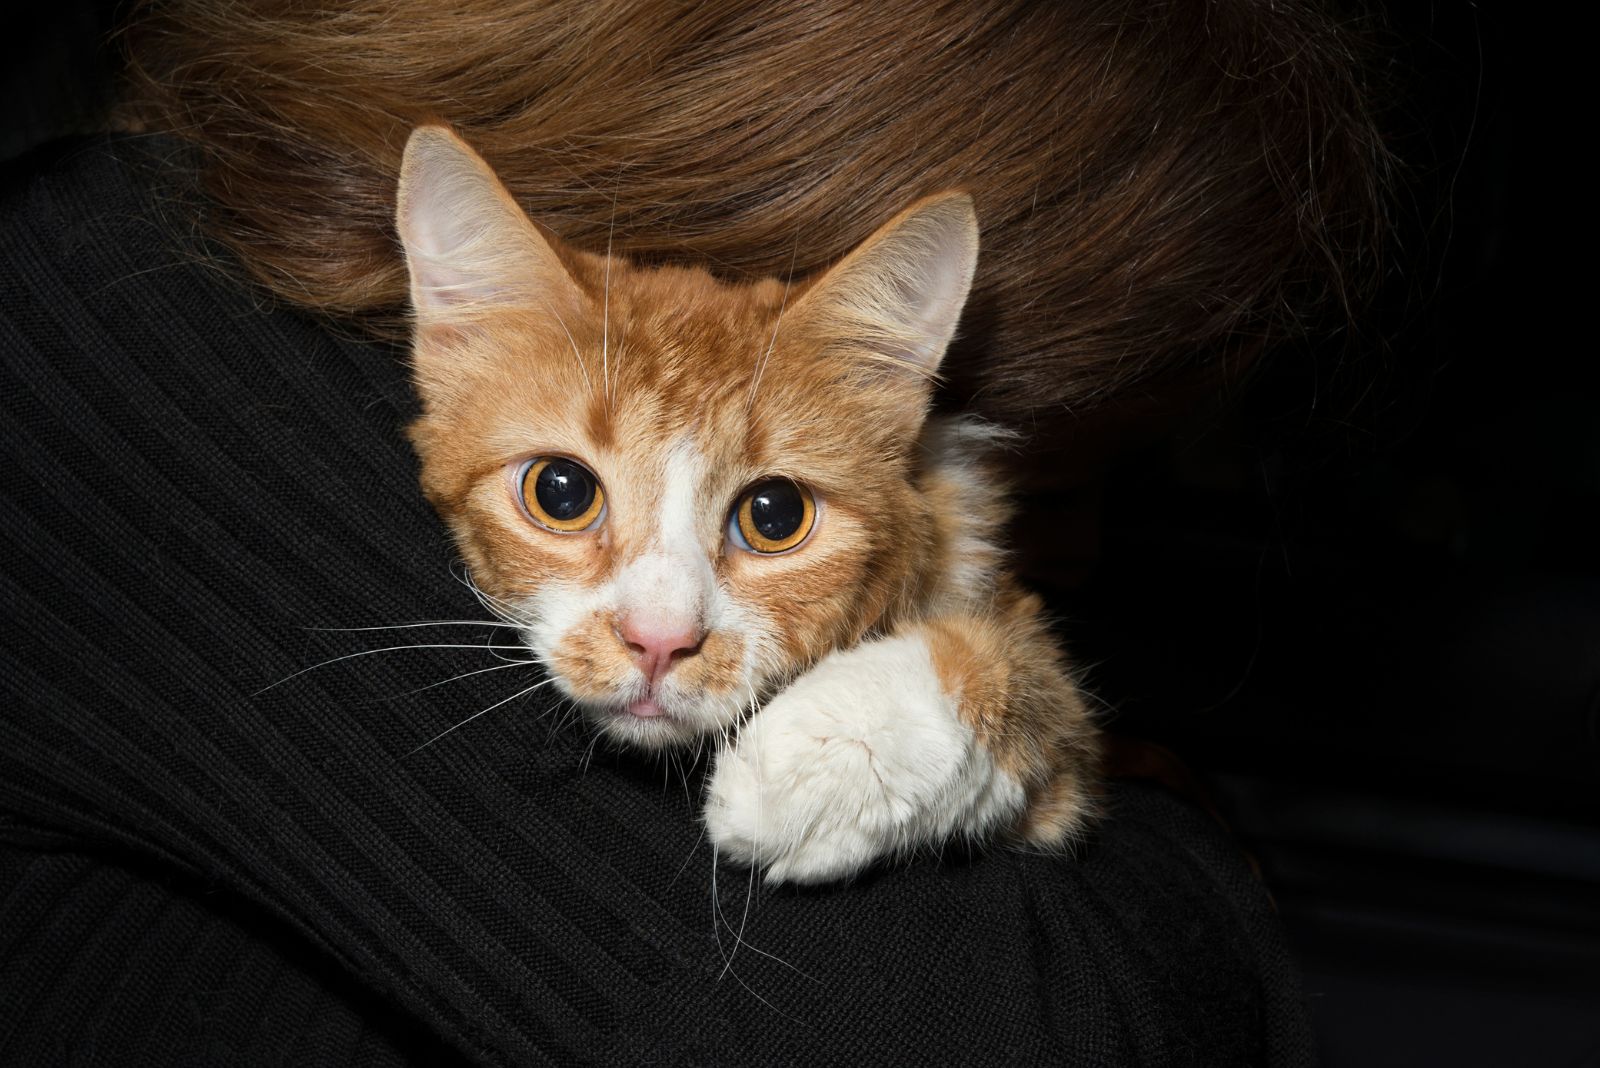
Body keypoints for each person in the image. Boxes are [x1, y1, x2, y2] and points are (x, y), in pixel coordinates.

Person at [0, 132, 1319, 1065]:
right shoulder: (129, 318)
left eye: (770, 513)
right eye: (568, 498)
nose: (661, 626)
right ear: (446, 327)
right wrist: (1188, 857)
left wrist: (975, 706)